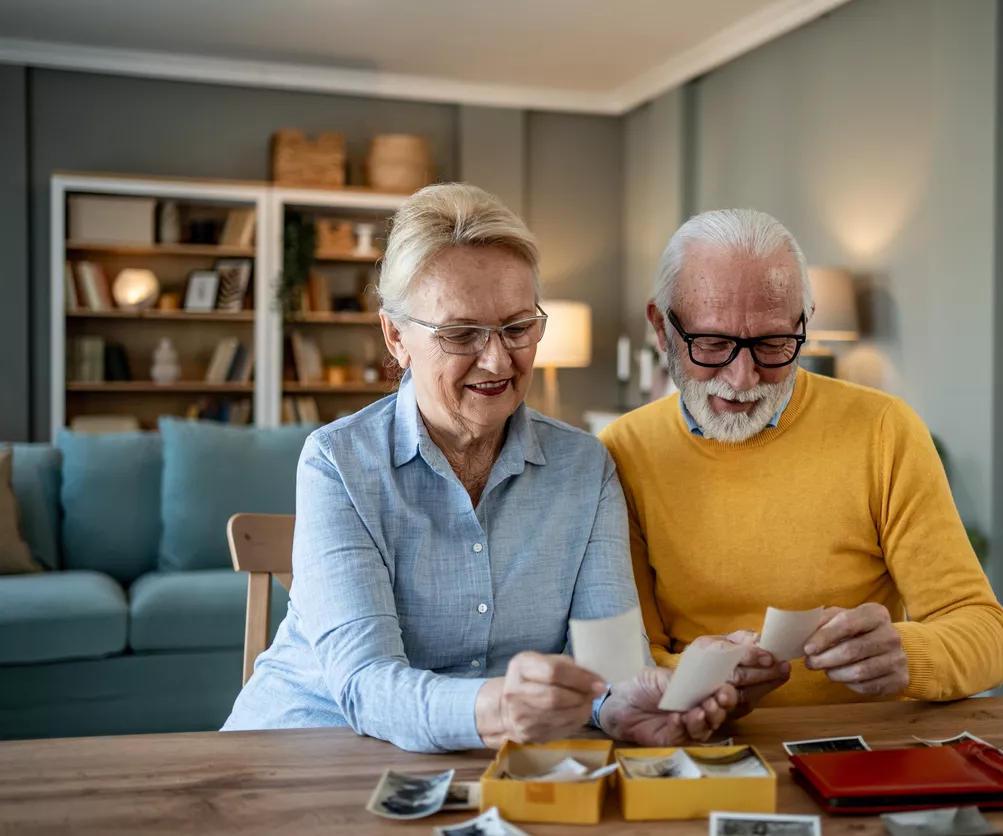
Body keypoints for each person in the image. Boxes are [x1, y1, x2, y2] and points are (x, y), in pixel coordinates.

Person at [222, 184, 734, 752]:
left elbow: (608, 665)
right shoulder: (337, 464)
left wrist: (625, 706)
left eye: (517, 328)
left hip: (486, 766)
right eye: (461, 334)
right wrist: (497, 706)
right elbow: (365, 685)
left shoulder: (584, 467)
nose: (496, 361)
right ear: (396, 337)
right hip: (309, 750)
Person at [599, 208, 1003, 716]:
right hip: (699, 743)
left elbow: (985, 634)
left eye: (773, 344)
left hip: (860, 753)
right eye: (712, 343)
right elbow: (627, 661)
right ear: (662, 331)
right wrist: (693, 677)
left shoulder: (883, 430)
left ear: (805, 325)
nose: (743, 377)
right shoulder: (622, 451)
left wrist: (909, 653)